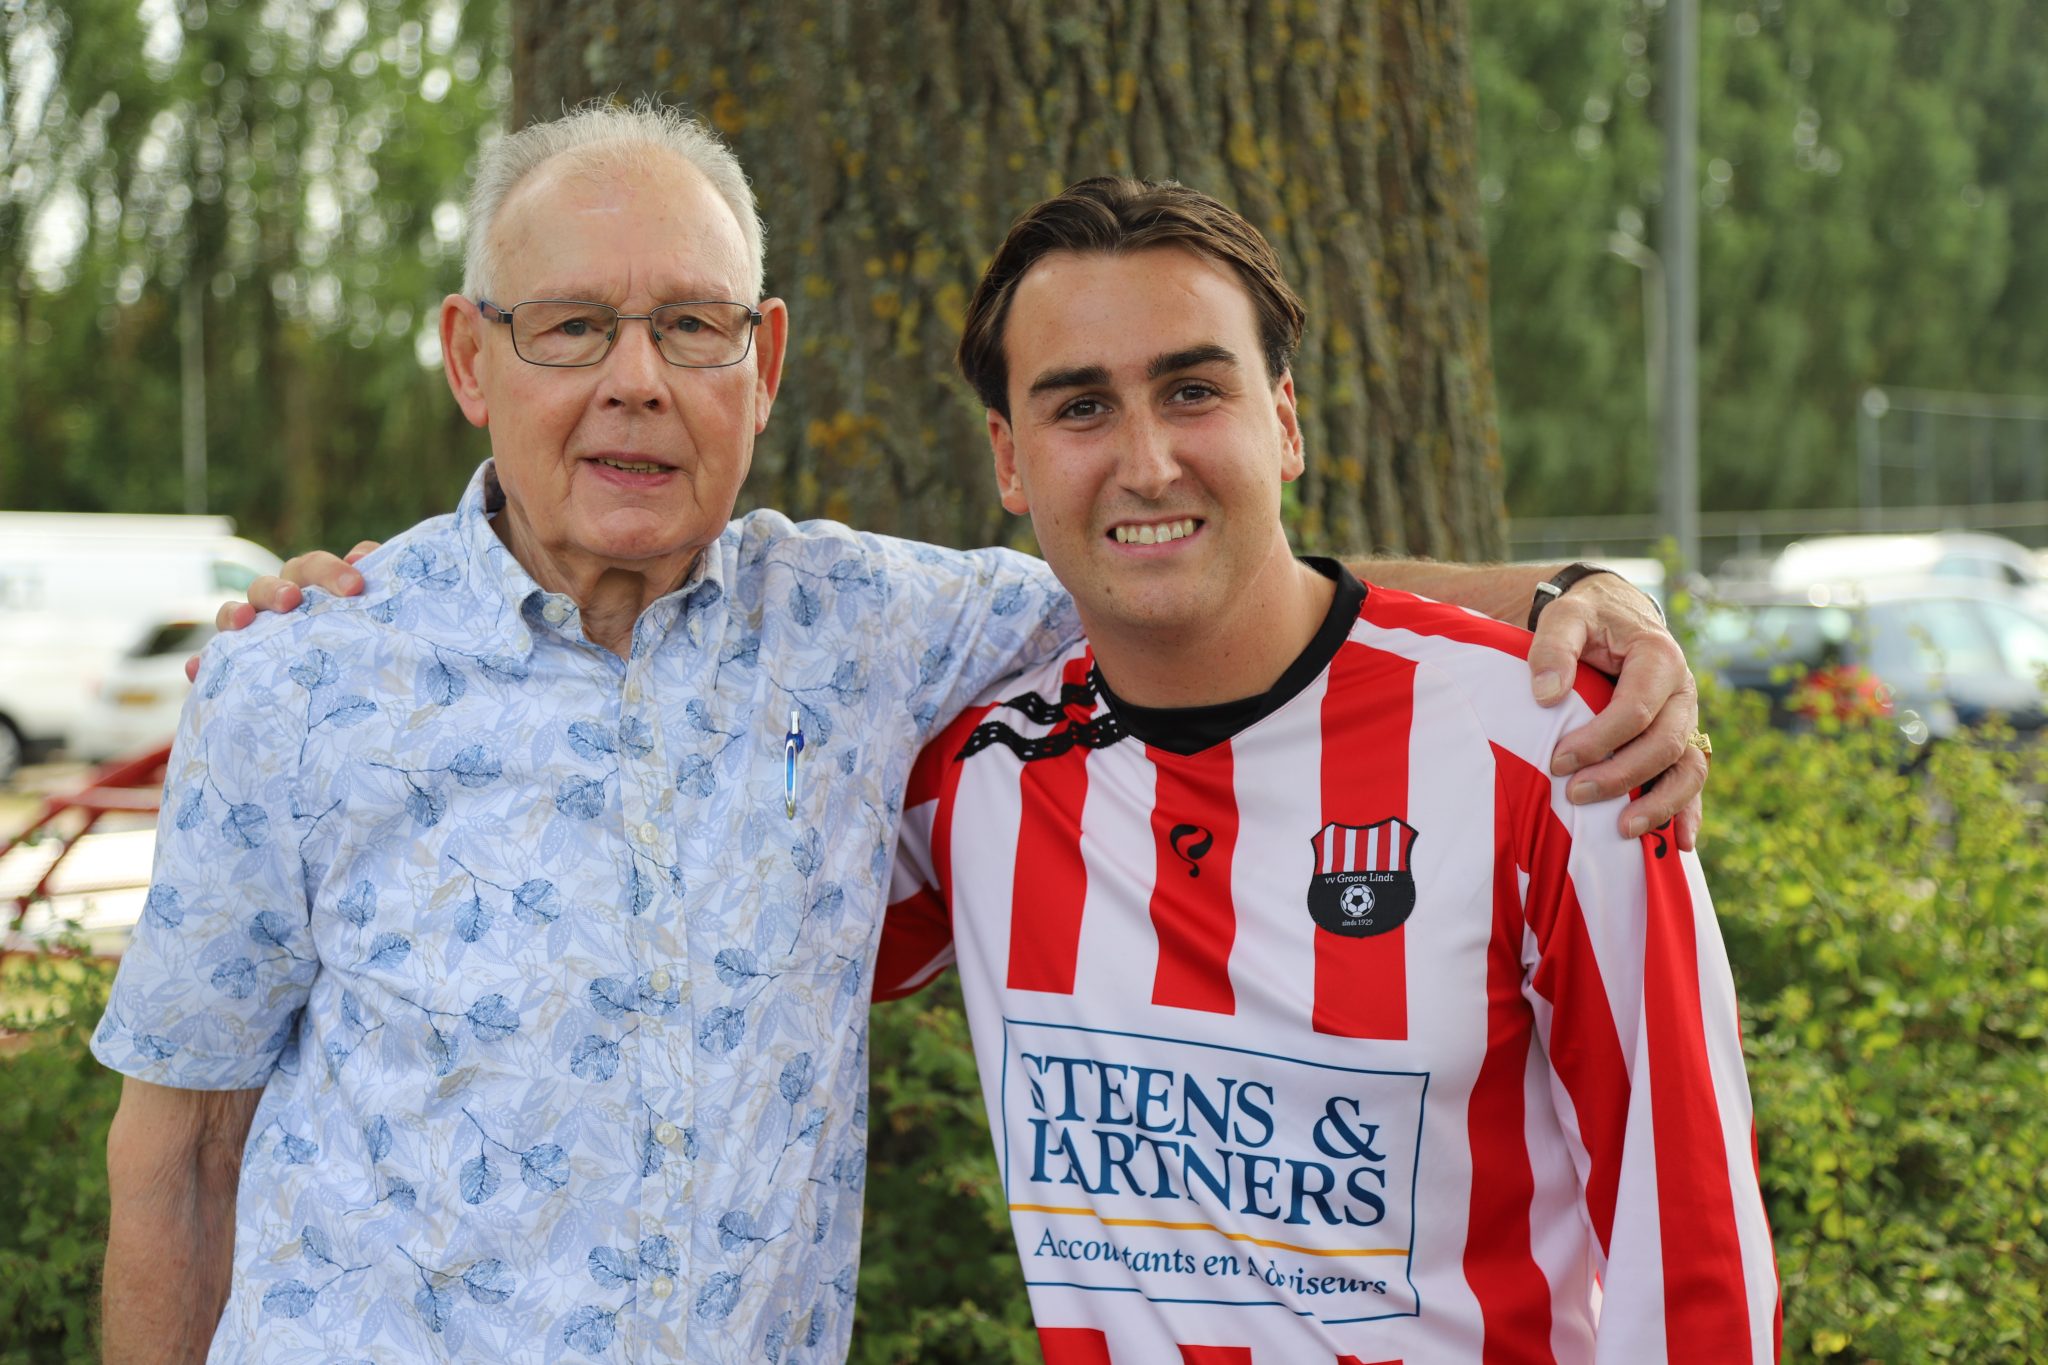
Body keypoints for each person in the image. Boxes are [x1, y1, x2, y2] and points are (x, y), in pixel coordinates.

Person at [109, 105, 1702, 1364]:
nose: (637, 382)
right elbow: (177, 1154)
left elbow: (1203, 570)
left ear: (764, 362)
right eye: (572, 327)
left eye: (692, 327)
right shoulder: (303, 681)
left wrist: (1570, 595)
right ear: (472, 357)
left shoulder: (868, 630)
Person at [870, 178, 1777, 1362]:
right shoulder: (974, 778)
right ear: (1008, 458)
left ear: (1284, 422)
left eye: (1192, 390)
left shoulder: (1555, 750)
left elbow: (1690, 1255)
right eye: (1080, 407)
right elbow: (730, 970)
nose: (1147, 462)